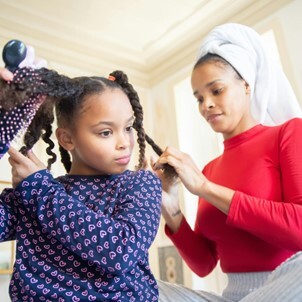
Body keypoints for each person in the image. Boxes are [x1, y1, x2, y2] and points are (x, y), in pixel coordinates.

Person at [153, 23, 302, 301]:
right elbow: (204, 263)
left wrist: (205, 188)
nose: (205, 105)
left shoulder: (288, 133)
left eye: (216, 90)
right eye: (199, 98)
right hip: (231, 296)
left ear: (246, 85)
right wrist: (169, 203)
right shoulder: (210, 169)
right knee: (136, 286)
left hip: (288, 286)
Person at [0, 65, 166, 301]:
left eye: (128, 127)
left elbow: (121, 251)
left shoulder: (140, 184)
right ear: (67, 139)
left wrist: (39, 190)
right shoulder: (36, 190)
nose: (124, 142)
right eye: (106, 132)